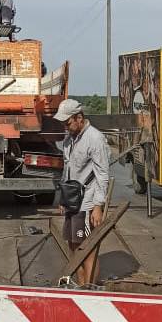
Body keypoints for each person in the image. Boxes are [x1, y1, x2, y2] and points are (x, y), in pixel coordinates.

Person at [54, 99, 109, 287]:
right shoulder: (69, 139)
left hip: (87, 202)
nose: (65, 127)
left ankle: (90, 291)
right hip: (72, 200)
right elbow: (67, 170)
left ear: (79, 118)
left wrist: (98, 206)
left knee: (86, 248)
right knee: (72, 245)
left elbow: (102, 174)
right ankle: (80, 287)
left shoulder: (95, 139)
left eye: (67, 123)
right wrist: (63, 198)